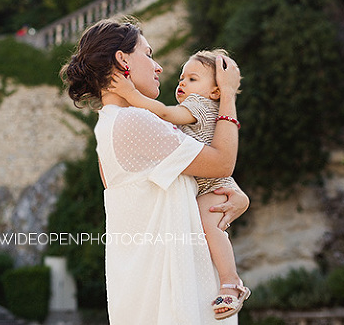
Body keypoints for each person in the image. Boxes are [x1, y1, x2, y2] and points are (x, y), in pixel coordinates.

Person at [60, 18, 249, 325]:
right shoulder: (135, 123)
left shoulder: (112, 124)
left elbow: (200, 176)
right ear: (123, 60)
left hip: (151, 298)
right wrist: (227, 94)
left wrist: (233, 192)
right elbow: (221, 163)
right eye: (148, 55)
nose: (158, 66)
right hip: (174, 303)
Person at [109, 48, 250, 319]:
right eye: (182, 79)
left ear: (215, 92)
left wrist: (129, 94)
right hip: (210, 185)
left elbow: (163, 114)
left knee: (210, 226)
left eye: (193, 79)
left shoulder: (200, 106)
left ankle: (231, 284)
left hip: (213, 187)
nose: (182, 83)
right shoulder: (202, 105)